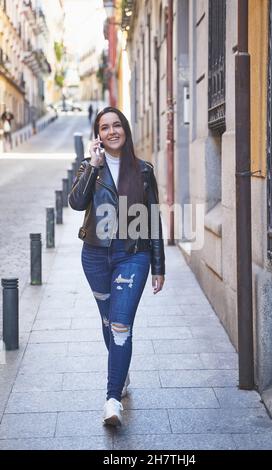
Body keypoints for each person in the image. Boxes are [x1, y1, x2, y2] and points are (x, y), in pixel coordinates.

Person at [69, 106, 165, 427]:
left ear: (125, 129)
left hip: (132, 255)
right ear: (99, 135)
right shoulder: (89, 167)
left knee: (121, 324)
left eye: (117, 125)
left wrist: (158, 264)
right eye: (105, 127)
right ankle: (121, 373)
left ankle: (112, 400)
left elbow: (153, 221)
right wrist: (94, 165)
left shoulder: (143, 171)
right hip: (95, 256)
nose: (112, 131)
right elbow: (77, 203)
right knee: (109, 321)